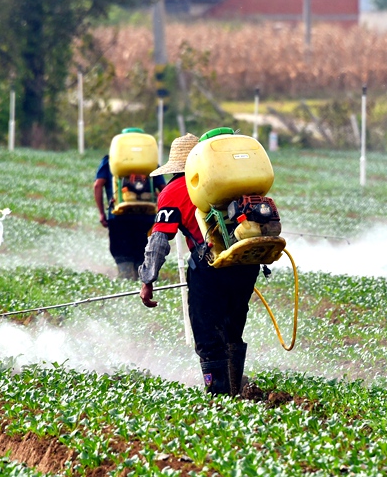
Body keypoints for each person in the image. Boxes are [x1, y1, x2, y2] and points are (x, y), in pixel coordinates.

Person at [138, 132, 261, 396]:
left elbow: (160, 241)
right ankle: (235, 388)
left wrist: (148, 280)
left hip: (211, 267)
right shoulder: (232, 179)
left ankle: (219, 397)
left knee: (207, 334)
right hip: (247, 262)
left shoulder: (173, 190)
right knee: (232, 327)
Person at [94, 149, 165, 280]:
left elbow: (98, 185)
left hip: (118, 216)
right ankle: (143, 281)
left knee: (122, 252)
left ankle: (126, 278)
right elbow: (163, 188)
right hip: (146, 216)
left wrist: (101, 213)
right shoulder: (149, 160)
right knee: (142, 251)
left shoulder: (110, 159)